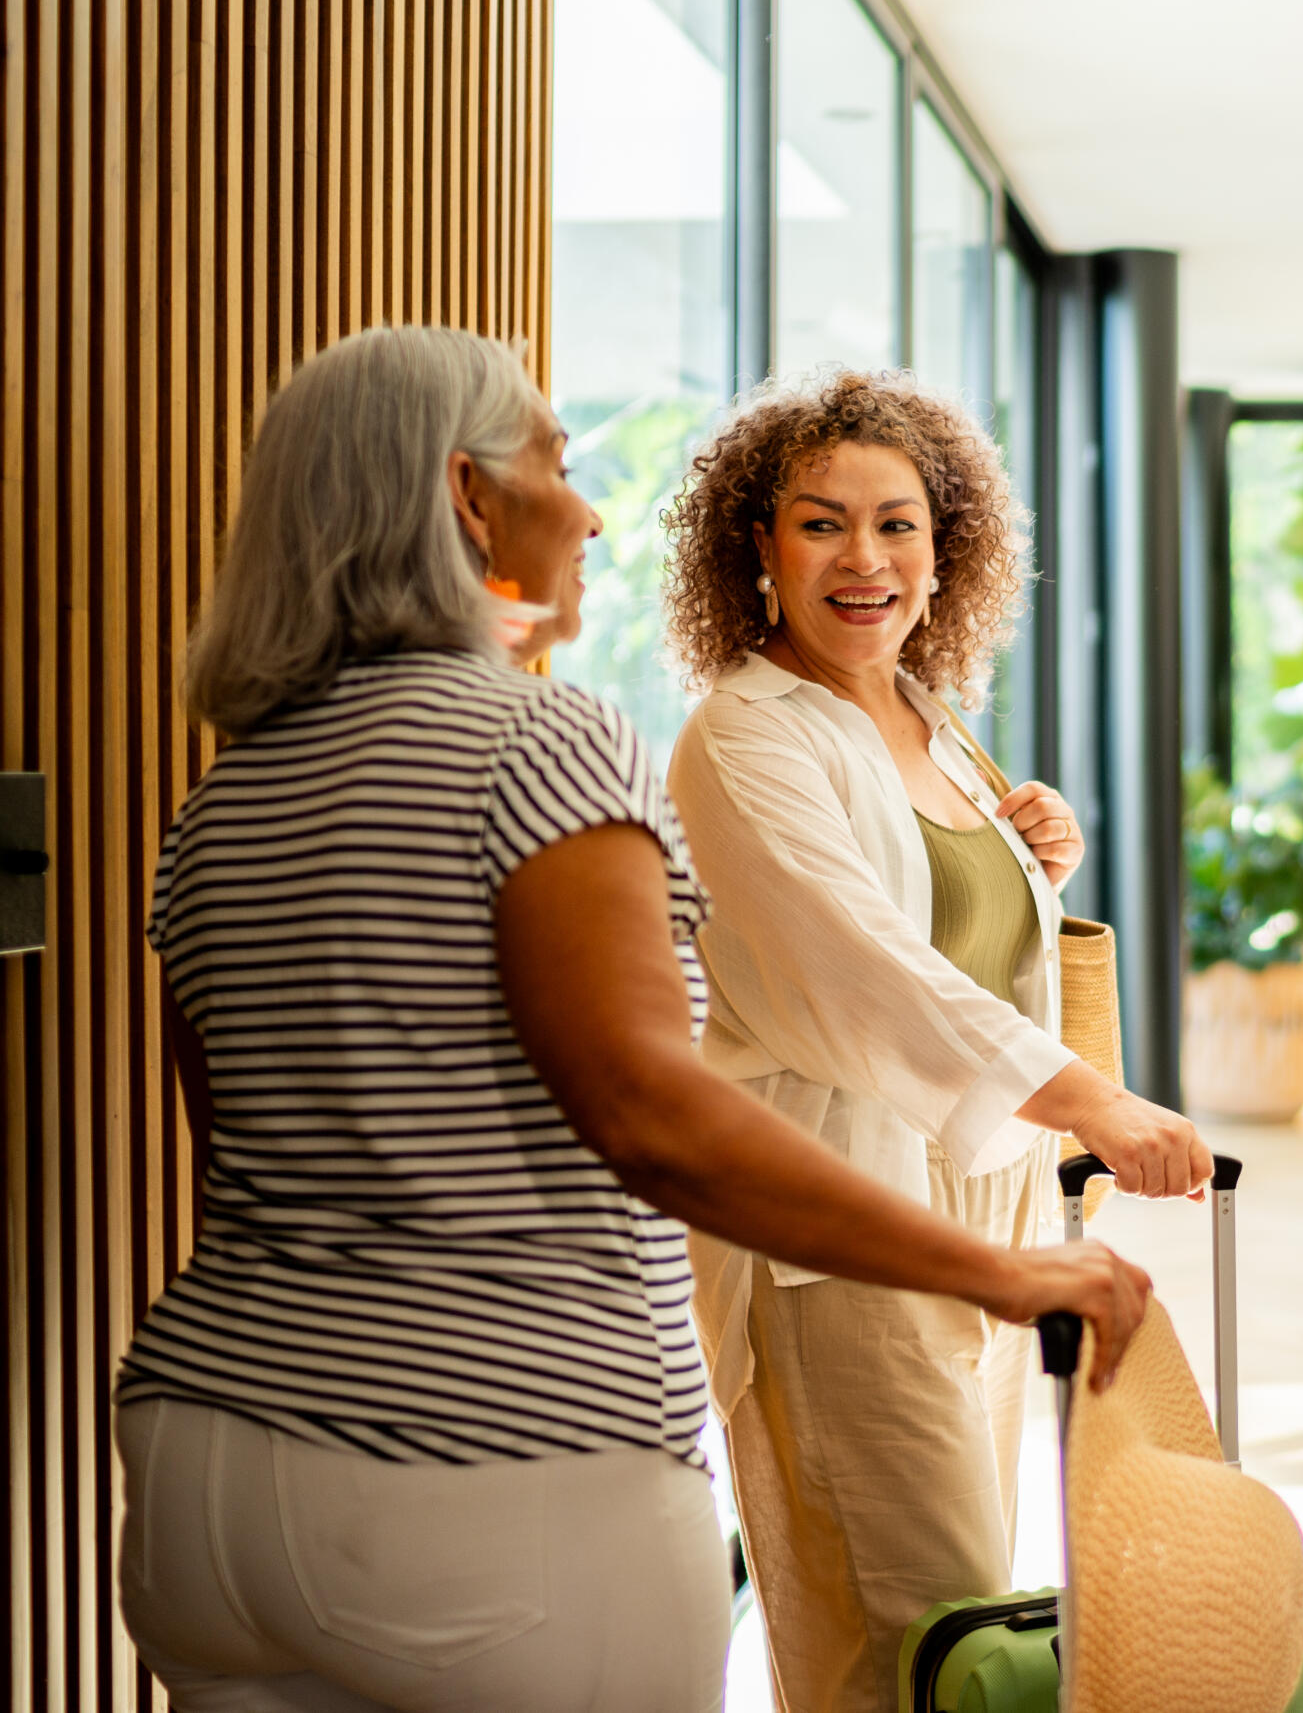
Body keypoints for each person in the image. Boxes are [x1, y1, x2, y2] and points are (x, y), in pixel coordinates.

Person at [117, 327, 1152, 1713]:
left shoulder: (222, 803)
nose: (592, 505)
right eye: (556, 463)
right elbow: (654, 1116)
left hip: (212, 1454)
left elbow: (237, 1145)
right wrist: (1007, 1275)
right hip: (499, 1460)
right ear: (469, 501)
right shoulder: (545, 744)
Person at [659, 369, 1212, 1713]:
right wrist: (1092, 1098)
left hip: (985, 1208)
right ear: (757, 545)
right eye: (821, 522)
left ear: (944, 547)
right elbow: (863, 967)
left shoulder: (929, 716)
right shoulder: (745, 734)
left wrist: (1035, 863)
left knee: (963, 1610)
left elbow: (953, 929)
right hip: (838, 1220)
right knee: (911, 1611)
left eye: (899, 524)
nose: (866, 558)